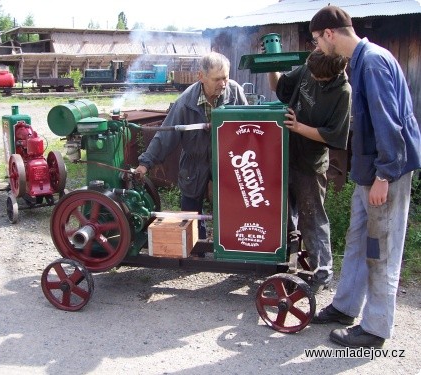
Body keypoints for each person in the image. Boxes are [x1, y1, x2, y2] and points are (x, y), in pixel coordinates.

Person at [309, 5, 421, 348]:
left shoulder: (371, 63)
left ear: (330, 33)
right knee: (358, 242)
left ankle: (375, 328)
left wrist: (385, 176)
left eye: (316, 39)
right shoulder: (362, 61)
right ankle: (345, 307)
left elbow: (390, 123)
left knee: (380, 249)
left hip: (384, 174)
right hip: (368, 172)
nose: (317, 47)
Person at [135, 52, 248, 241]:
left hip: (228, 160)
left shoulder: (235, 92)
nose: (223, 84)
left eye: (226, 78)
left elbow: (248, 126)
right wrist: (145, 163)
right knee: (190, 207)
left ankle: (232, 244)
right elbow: (166, 135)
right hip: (194, 160)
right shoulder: (185, 103)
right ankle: (196, 247)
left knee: (233, 203)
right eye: (217, 79)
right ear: (201, 77)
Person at [266, 49, 351, 293]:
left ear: (333, 74)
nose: (312, 79)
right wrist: (273, 64)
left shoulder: (343, 93)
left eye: (319, 79)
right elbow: (280, 86)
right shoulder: (309, 68)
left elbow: (333, 135)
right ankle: (282, 264)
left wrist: (299, 127)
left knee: (312, 217)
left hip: (310, 163)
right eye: (311, 74)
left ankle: (322, 272)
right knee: (282, 213)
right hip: (285, 154)